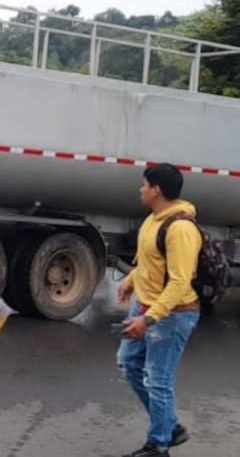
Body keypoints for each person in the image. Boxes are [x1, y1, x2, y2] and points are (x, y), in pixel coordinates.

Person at [116, 163, 202, 457]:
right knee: (128, 364)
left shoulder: (180, 229)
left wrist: (149, 319)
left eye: (144, 184)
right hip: (146, 304)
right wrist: (130, 281)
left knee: (158, 379)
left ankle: (159, 444)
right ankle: (171, 426)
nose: (140, 189)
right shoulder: (153, 219)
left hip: (172, 314)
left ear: (157, 190)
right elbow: (149, 262)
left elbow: (179, 282)